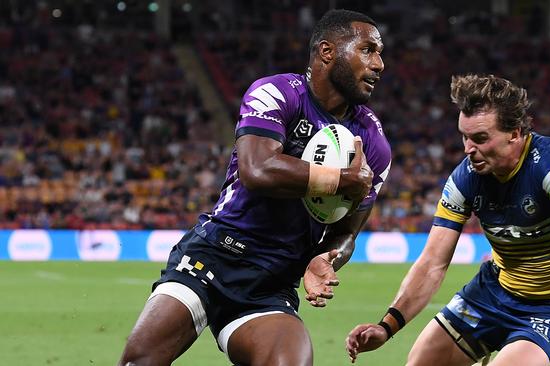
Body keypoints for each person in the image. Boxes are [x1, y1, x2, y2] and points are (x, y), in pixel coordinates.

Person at [119, 9, 391, 366]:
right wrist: (338, 180)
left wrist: (326, 259)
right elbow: (257, 169)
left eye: (379, 53)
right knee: (140, 362)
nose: (380, 64)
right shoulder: (277, 92)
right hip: (213, 256)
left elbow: (346, 231)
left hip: (272, 283)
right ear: (328, 51)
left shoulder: (373, 142)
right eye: (368, 50)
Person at [346, 74, 550, 366]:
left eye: (481, 138)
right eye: (465, 136)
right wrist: (386, 327)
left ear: (515, 133)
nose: (468, 149)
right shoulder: (465, 179)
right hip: (491, 294)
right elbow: (432, 262)